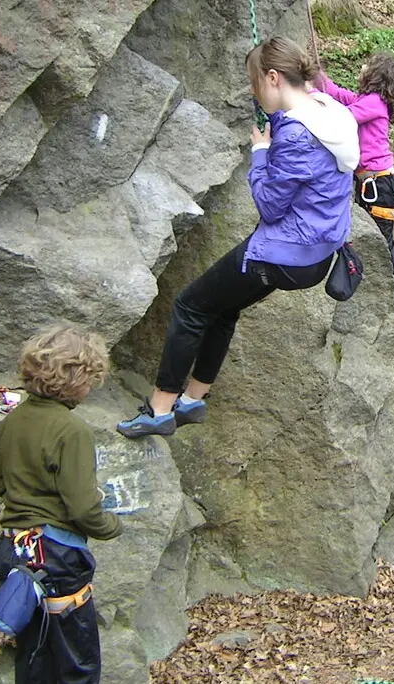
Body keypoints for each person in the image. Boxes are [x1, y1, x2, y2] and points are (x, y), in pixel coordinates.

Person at [117, 36, 359, 438]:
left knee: (190, 306)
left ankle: (160, 408)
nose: (252, 90)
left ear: (273, 77)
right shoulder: (330, 111)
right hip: (316, 255)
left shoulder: (297, 138)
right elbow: (301, 109)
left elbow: (270, 206)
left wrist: (262, 152)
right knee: (222, 308)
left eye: (254, 82)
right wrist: (274, 121)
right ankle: (192, 401)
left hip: (283, 255)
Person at [0, 325, 123, 684]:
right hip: (57, 558)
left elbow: (0, 484)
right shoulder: (72, 430)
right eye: (91, 379)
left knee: (33, 654)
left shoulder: (13, 420)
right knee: (74, 663)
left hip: (12, 551)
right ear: (77, 379)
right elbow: (82, 508)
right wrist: (111, 525)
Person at [317, 53, 394, 327]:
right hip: (373, 185)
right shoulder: (370, 102)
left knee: (384, 245)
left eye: (367, 65)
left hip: (380, 187)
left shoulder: (373, 104)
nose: (361, 67)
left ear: (375, 76)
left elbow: (344, 117)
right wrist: (318, 80)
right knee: (378, 241)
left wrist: (314, 102)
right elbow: (339, 95)